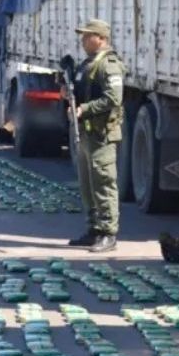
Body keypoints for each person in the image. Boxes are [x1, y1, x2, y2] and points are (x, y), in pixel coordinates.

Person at [64, 19, 125, 253]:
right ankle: (94, 230)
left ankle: (109, 233)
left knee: (104, 184)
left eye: (87, 35)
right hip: (87, 134)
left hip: (102, 134)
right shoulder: (85, 65)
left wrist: (84, 109)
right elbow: (81, 92)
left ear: (100, 38)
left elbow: (113, 98)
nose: (83, 40)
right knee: (88, 186)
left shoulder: (109, 64)